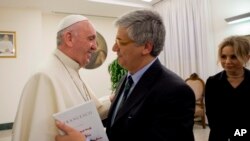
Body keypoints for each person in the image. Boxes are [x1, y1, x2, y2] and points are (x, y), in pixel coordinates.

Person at [55, 9, 196, 141]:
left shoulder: (175, 92)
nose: (114, 48)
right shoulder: (126, 80)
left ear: (146, 47)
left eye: (120, 42)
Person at [12, 15, 110, 141]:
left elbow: (92, 110)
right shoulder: (44, 77)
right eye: (90, 39)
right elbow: (38, 135)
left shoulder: (72, 69)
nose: (95, 47)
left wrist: (114, 99)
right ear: (69, 38)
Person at [205, 35, 250, 141]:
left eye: (233, 57)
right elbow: (212, 116)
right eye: (223, 56)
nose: (227, 61)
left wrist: (238, 135)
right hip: (220, 137)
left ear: (246, 57)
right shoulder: (213, 82)